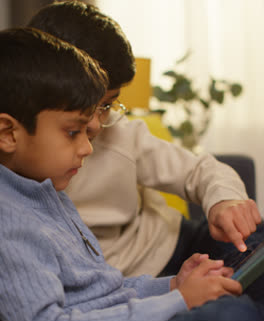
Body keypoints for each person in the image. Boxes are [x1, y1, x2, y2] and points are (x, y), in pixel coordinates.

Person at [1, 26, 264, 321]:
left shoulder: (43, 188)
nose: (89, 145)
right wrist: (177, 302)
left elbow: (103, 290)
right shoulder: (11, 222)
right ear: (8, 133)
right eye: (74, 132)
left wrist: (172, 286)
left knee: (236, 306)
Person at [28, 0, 263, 279]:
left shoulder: (121, 132)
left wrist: (224, 201)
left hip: (175, 244)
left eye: (106, 105)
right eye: (84, 106)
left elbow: (199, 170)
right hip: (120, 282)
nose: (94, 124)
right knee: (227, 318)